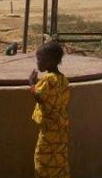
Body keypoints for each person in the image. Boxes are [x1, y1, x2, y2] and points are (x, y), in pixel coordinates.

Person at [28, 41, 70, 178]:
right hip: (61, 128)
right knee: (59, 160)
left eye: (40, 59)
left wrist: (31, 84)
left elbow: (39, 97)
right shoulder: (63, 79)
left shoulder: (48, 80)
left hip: (49, 129)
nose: (37, 63)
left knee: (43, 160)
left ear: (51, 61)